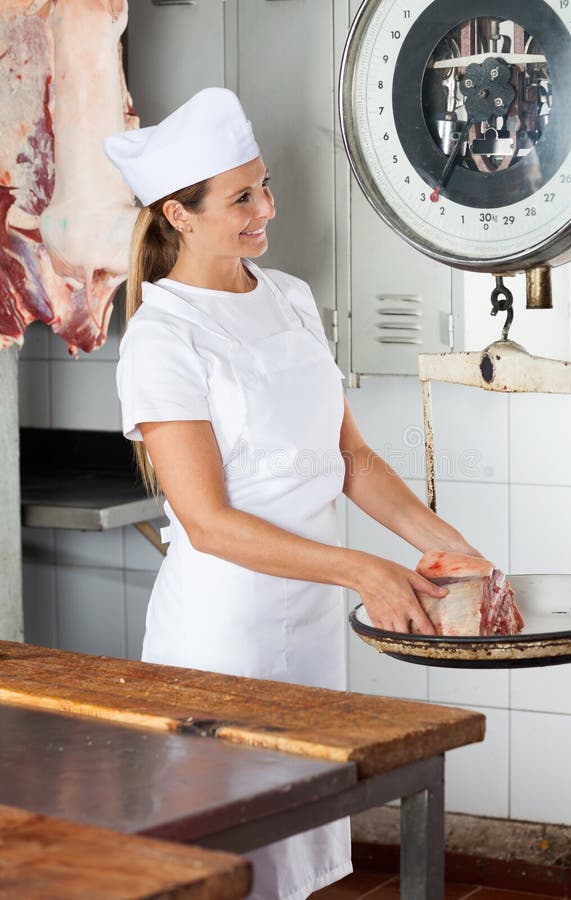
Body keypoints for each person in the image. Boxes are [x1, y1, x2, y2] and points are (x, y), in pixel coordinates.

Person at [104, 87, 486, 900]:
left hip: (310, 622)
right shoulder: (163, 336)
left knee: (292, 855)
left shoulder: (289, 297)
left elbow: (351, 458)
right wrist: (364, 570)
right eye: (241, 197)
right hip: (223, 634)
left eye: (265, 186)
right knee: (224, 862)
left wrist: (448, 547)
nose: (267, 209)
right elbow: (209, 524)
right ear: (178, 214)